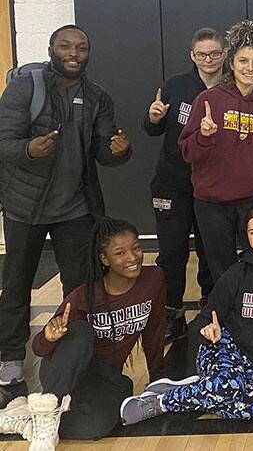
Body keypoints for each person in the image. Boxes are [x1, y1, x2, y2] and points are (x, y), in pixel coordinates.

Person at [119, 204, 253, 425]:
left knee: (245, 409)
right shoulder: (237, 273)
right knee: (224, 388)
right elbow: (206, 316)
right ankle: (160, 403)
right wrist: (208, 330)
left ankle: (191, 387)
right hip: (227, 348)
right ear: (248, 237)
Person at [0, 25, 131, 386]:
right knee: (16, 283)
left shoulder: (97, 96)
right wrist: (29, 150)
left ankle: (75, 349)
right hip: (25, 206)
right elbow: (3, 142)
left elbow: (104, 150)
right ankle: (11, 354)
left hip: (75, 207)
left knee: (81, 285)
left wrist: (120, 152)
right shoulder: (25, 87)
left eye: (82, 47)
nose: (74, 53)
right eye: (65, 46)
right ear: (51, 49)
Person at [10, 218, 165, 447]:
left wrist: (156, 381)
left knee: (99, 425)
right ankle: (50, 406)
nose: (133, 258)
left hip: (106, 376)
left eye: (136, 248)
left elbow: (155, 331)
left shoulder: (153, 279)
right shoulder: (85, 295)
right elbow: (39, 348)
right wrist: (49, 337)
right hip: (67, 371)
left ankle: (28, 419)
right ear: (105, 259)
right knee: (81, 332)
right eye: (120, 253)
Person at [178, 20, 253, 288]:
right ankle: (224, 323)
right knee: (221, 271)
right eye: (243, 61)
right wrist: (204, 136)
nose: (250, 68)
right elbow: (187, 152)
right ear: (232, 63)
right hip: (212, 204)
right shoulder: (209, 101)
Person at [143, 27, 222, 340]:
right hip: (172, 183)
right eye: (202, 54)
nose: (208, 59)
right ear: (192, 55)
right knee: (172, 254)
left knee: (210, 252)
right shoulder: (175, 85)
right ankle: (172, 313)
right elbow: (150, 129)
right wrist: (153, 117)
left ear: (224, 54)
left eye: (214, 53)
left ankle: (210, 309)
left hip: (212, 184)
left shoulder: (232, 87)